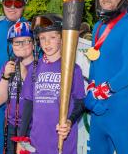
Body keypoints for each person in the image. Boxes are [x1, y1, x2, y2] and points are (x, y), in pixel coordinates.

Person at [84, 0, 128, 154]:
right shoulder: (97, 27)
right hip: (98, 108)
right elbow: (95, 63)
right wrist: (91, 87)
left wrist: (102, 92)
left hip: (121, 108)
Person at [16, 14, 85, 154]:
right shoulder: (34, 68)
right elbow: (28, 106)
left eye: (52, 37)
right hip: (37, 143)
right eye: (42, 38)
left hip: (63, 143)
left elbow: (80, 103)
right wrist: (21, 139)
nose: (47, 43)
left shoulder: (72, 69)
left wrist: (69, 121)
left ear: (62, 38)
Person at [0, 0, 28, 153]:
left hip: (23, 97)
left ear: (24, 5)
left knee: (21, 142)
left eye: (18, 3)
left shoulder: (32, 29)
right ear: (2, 3)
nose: (12, 7)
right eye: (8, 2)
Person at [0, 21, 34, 153]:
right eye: (17, 42)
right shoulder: (8, 66)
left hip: (33, 128)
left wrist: (25, 73)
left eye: (26, 41)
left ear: (33, 44)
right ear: (11, 45)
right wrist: (5, 77)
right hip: (11, 127)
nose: (21, 45)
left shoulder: (41, 67)